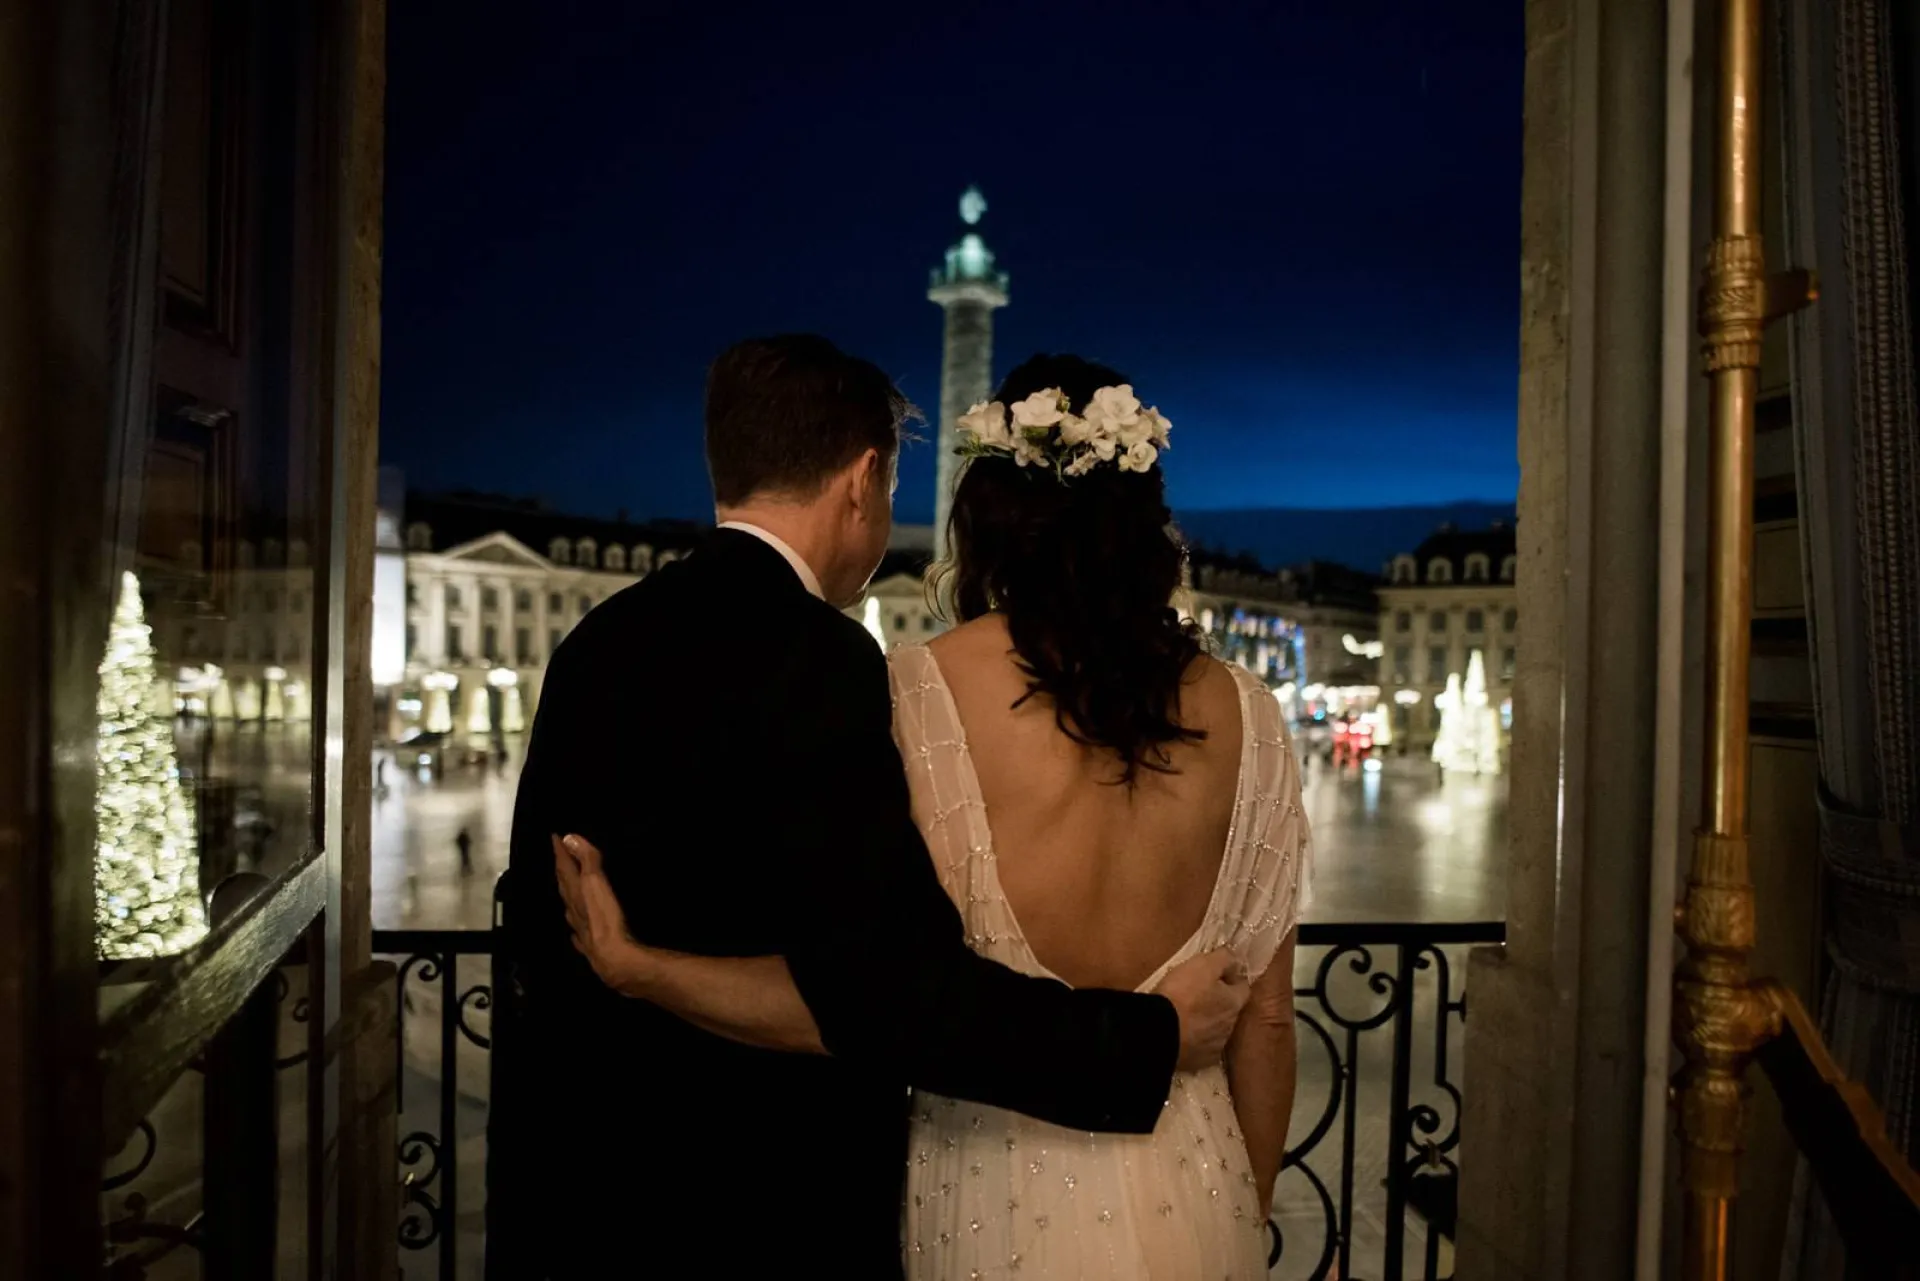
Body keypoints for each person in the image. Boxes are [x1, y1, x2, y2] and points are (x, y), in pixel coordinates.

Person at [502, 338, 1252, 1279]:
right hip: (775, 1198)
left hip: (593, 1189)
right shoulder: (822, 659)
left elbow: (538, 921)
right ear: (862, 480)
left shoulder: (596, 645)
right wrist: (1147, 1040)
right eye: (893, 490)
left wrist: (632, 966)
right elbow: (886, 991)